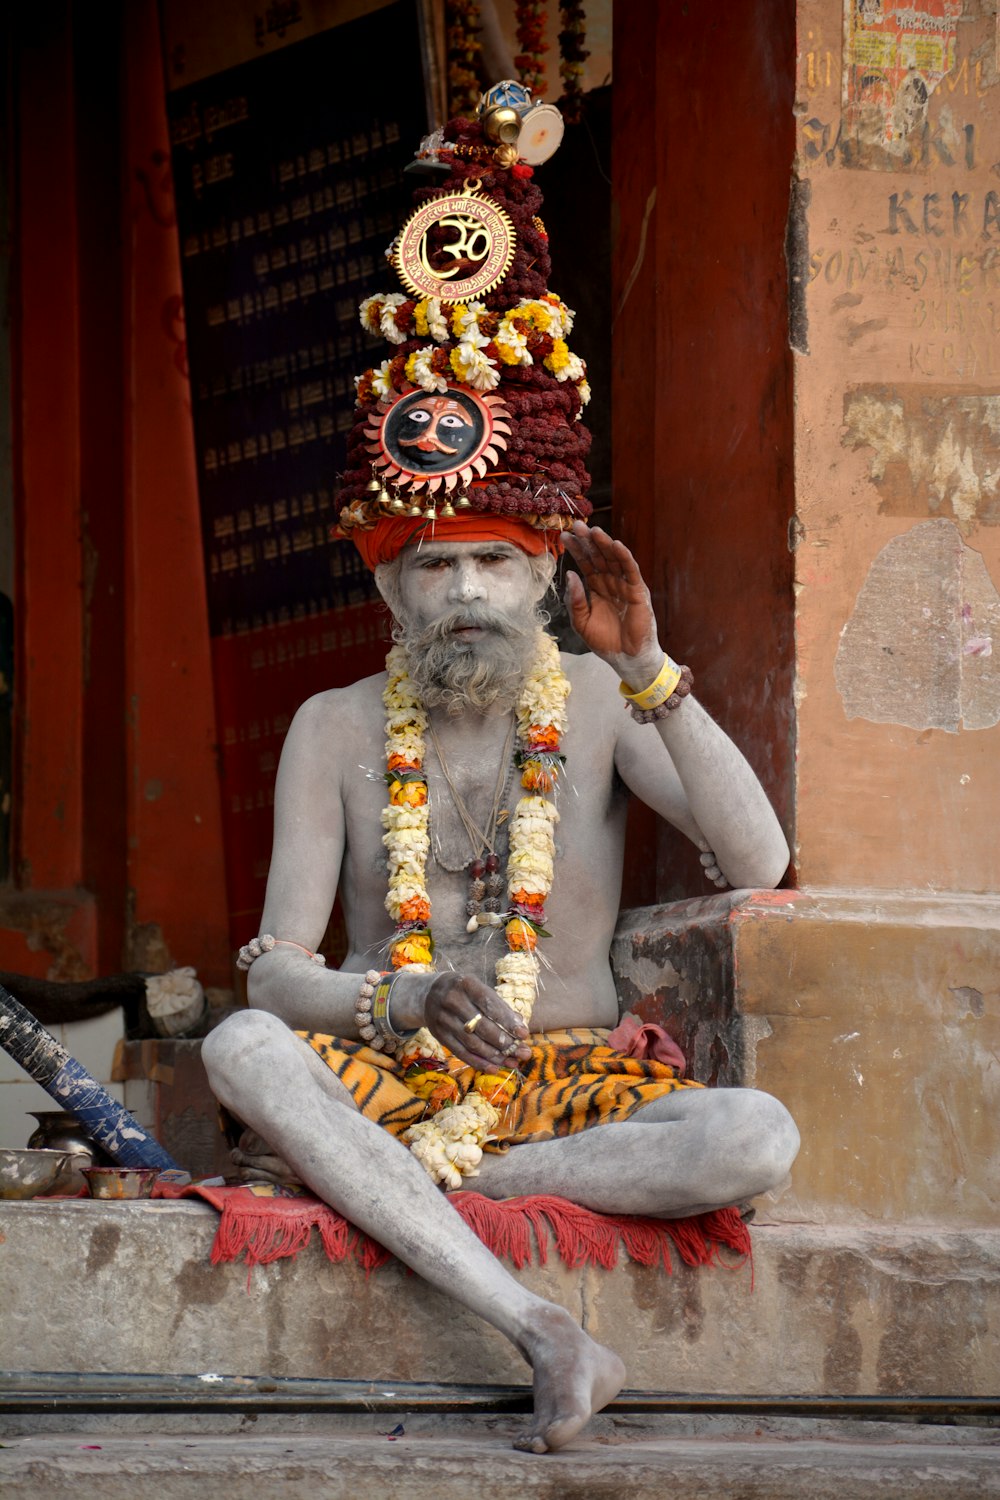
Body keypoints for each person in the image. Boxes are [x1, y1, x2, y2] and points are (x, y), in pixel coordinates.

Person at [202, 90, 799, 1455]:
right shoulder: (335, 729)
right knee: (244, 1048)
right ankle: (542, 1330)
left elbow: (760, 864)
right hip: (385, 1065)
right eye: (433, 567)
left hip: (569, 1080)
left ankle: (406, 1184)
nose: (464, 591)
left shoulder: (598, 698)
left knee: (755, 1135)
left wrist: (652, 666)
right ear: (391, 593)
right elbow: (275, 973)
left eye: (493, 563)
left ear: (545, 579)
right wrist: (399, 991)